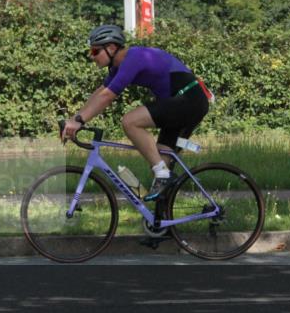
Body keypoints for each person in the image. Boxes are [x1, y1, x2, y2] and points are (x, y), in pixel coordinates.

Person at [60, 24, 211, 201]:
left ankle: (163, 175)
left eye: (95, 51)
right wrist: (75, 119)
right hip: (182, 102)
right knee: (161, 164)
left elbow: (108, 96)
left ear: (111, 48)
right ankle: (162, 225)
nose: (91, 56)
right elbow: (101, 91)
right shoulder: (117, 66)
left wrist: (79, 121)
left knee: (130, 121)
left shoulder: (134, 58)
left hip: (189, 100)